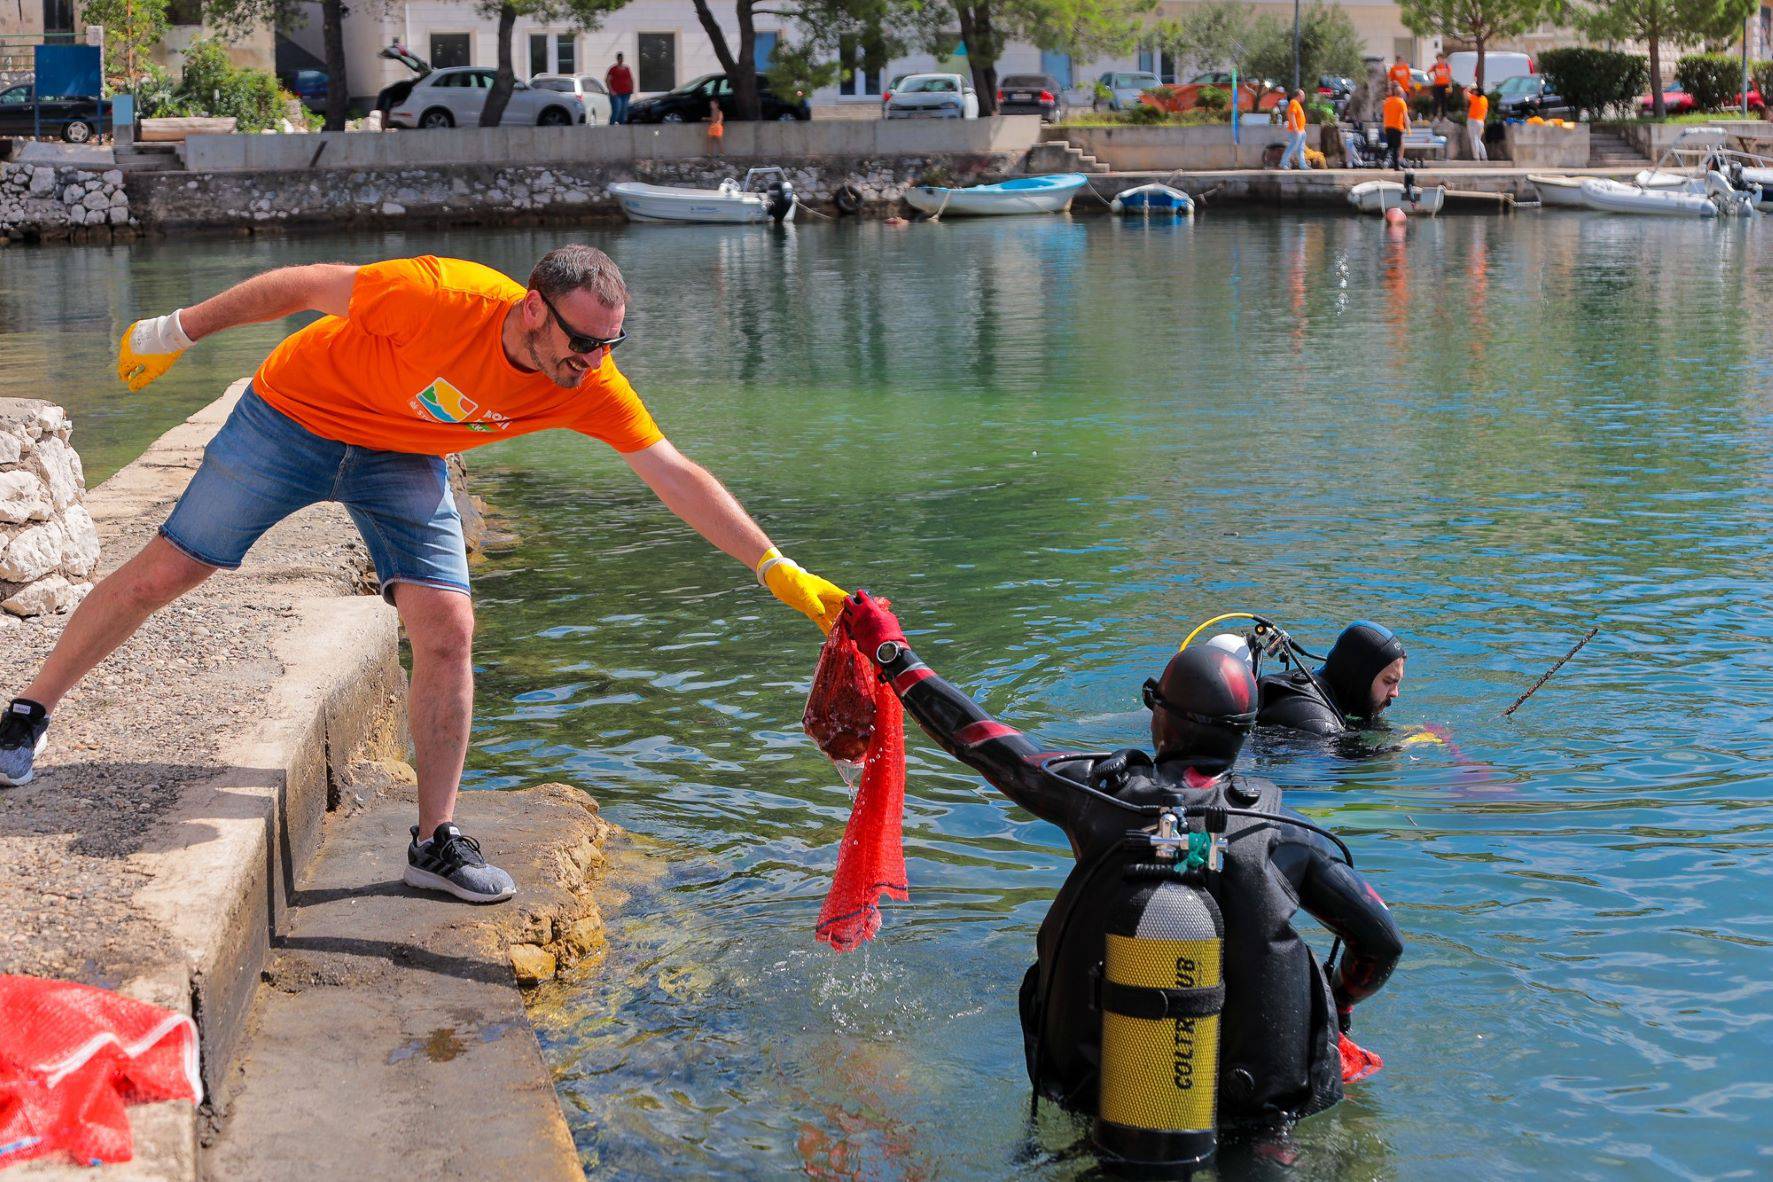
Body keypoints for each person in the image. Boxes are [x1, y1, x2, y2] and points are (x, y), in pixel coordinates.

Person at [0, 248, 849, 904]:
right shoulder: (438, 296)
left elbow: (674, 473)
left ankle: (433, 844)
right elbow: (299, 286)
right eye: (581, 340)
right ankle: (26, 714)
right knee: (165, 573)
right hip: (290, 420)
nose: (593, 359)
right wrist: (176, 330)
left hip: (404, 460)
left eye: (608, 344)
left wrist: (775, 567)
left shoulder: (585, 386)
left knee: (447, 631)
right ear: (530, 308)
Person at [841, 591, 1402, 1134]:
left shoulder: (1097, 801)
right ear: (1245, 732)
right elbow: (1381, 943)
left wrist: (891, 651)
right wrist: (1339, 999)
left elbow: (983, 741)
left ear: (1161, 717)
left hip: (1104, 1100)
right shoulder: (1284, 835)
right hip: (1256, 1110)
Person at [1256, 621, 1406, 737]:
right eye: (1388, 682)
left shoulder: (1326, 686)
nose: (1395, 693)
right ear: (1361, 678)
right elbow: (1332, 766)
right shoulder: (1316, 724)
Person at [1279, 89, 1309, 170]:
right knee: (1292, 147)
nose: (1304, 97)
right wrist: (1295, 128)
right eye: (1303, 95)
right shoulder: (1293, 103)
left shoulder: (1297, 104)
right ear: (1299, 95)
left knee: (1300, 149)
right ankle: (1283, 163)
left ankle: (1302, 165)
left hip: (1301, 130)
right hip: (1296, 130)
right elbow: (1292, 115)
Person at [1381, 83, 1409, 170]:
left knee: (1389, 146)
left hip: (1388, 127)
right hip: (1397, 127)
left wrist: (1384, 126)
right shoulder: (1401, 102)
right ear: (1400, 94)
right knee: (1396, 147)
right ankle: (1396, 166)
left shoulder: (1387, 101)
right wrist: (1408, 129)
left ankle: (1383, 161)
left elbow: (1385, 115)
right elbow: (1405, 117)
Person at [605, 52, 633, 124]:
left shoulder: (627, 69)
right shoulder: (613, 69)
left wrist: (631, 89)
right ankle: (611, 125)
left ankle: (622, 127)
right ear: (617, 59)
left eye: (621, 58)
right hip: (616, 94)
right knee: (617, 109)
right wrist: (611, 91)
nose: (620, 60)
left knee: (624, 111)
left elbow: (630, 79)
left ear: (623, 59)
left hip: (626, 93)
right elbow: (607, 80)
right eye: (619, 58)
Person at [1465, 82, 1489, 161]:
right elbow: (1486, 111)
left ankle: (1476, 157)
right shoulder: (1485, 99)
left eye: (1475, 90)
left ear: (1477, 92)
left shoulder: (1475, 98)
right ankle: (1484, 156)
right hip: (1481, 121)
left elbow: (1465, 93)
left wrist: (1470, 87)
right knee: (1478, 139)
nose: (1474, 91)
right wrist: (1483, 122)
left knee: (1474, 139)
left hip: (1473, 120)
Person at [1429, 53, 1452, 118]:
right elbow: (1428, 72)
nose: (1440, 60)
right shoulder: (1435, 66)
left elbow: (1449, 76)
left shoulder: (1447, 66)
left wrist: (1450, 86)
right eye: (1438, 59)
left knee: (1444, 101)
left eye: (1441, 59)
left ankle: (1444, 115)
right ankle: (1434, 115)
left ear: (1443, 59)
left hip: (1445, 85)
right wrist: (1431, 80)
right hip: (1437, 85)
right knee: (1436, 101)